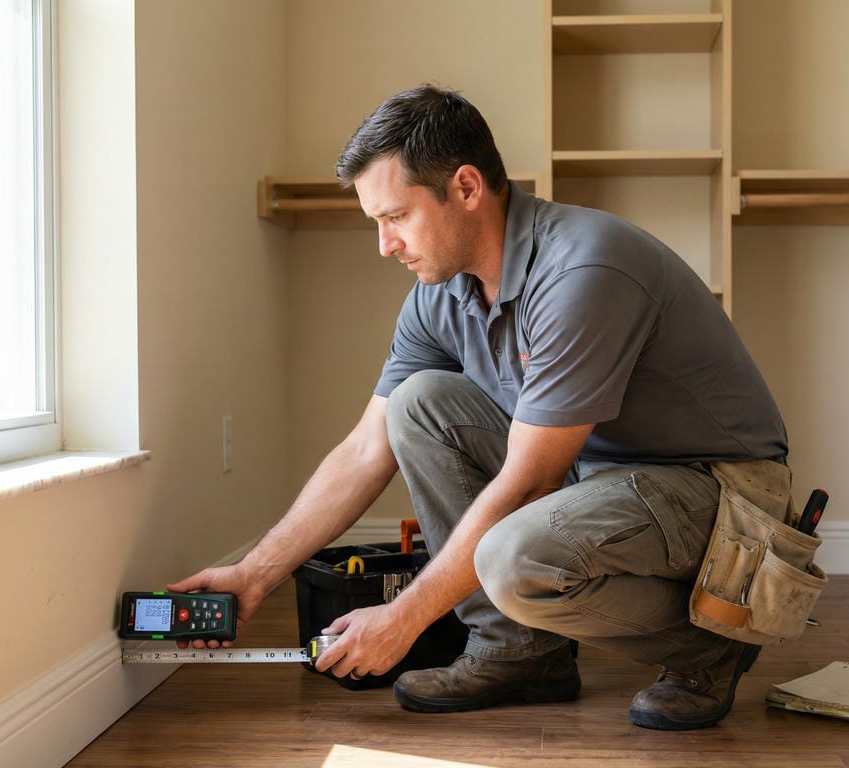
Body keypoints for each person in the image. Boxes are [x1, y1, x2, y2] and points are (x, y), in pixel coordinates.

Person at [168, 83, 788, 730]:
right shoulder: (440, 293)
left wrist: (404, 618)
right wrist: (254, 574)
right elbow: (365, 448)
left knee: (513, 557)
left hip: (721, 495)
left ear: (466, 188)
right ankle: (520, 653)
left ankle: (711, 645)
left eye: (396, 218)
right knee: (418, 403)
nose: (384, 245)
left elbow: (528, 483)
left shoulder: (583, 271)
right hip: (601, 478)